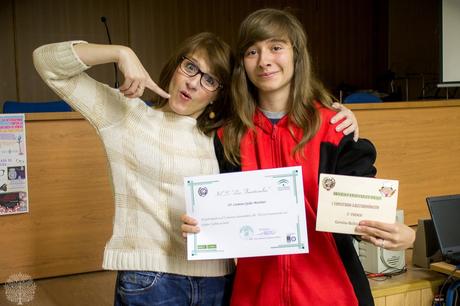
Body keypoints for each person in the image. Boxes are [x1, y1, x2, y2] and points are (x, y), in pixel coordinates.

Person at [33, 31, 360, 306]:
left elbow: (280, 127)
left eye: (209, 80)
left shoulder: (228, 134)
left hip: (219, 282)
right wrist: (120, 52)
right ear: (176, 66)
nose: (192, 83)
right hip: (152, 280)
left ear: (219, 94)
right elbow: (47, 64)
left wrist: (337, 114)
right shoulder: (127, 117)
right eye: (189, 67)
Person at [182, 8, 415, 306]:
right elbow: (219, 221)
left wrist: (402, 236)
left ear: (296, 55)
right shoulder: (226, 137)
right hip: (255, 296)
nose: (264, 60)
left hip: (333, 293)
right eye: (252, 51)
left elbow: (364, 214)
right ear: (242, 63)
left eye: (276, 47)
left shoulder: (334, 129)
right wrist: (199, 226)